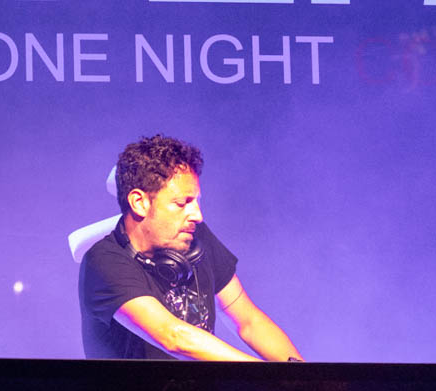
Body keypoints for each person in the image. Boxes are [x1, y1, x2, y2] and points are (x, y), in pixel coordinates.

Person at [79, 135, 304, 361]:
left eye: (196, 201)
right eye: (182, 203)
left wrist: (302, 375)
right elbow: (174, 337)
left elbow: (249, 321)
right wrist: (267, 377)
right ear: (140, 202)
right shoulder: (103, 262)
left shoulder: (195, 237)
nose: (197, 215)